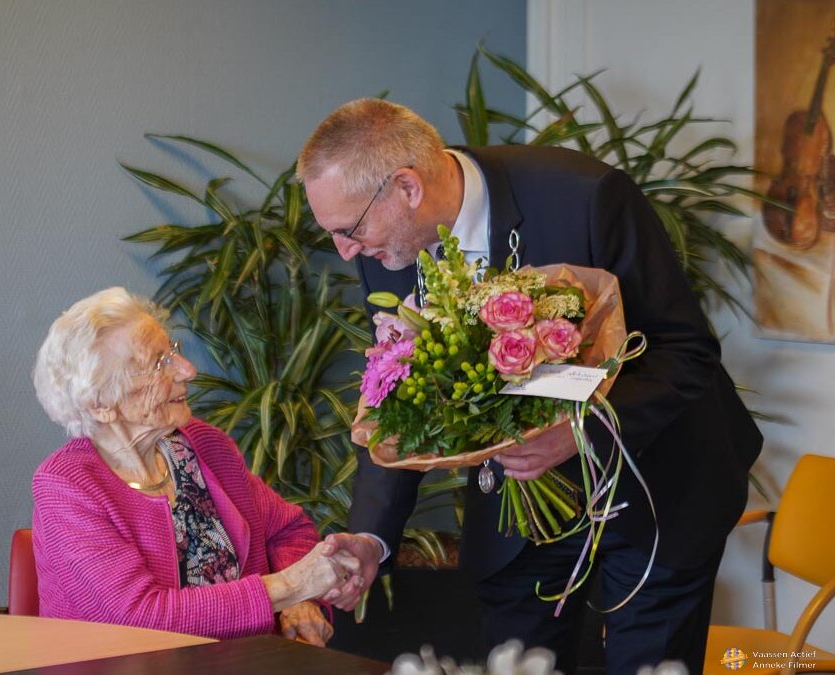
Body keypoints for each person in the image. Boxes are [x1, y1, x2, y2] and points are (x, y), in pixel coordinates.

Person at [298, 99, 763, 673]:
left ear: (407, 188)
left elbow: (685, 351)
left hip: (657, 485)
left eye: (349, 230)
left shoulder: (585, 199)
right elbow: (400, 396)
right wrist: (371, 539)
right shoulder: (388, 248)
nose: (346, 251)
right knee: (514, 662)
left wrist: (579, 433)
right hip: (519, 514)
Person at [31, 287, 358, 643]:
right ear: (101, 404)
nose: (188, 370)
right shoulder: (67, 487)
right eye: (159, 363)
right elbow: (137, 618)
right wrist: (290, 586)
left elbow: (287, 531)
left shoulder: (202, 445)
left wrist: (300, 602)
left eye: (174, 351)